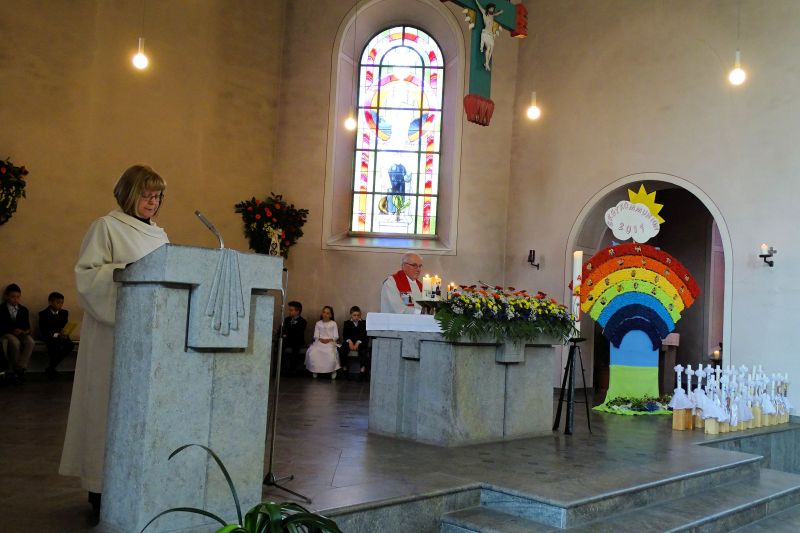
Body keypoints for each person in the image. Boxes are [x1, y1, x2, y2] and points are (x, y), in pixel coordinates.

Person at [59, 165, 170, 512]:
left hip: (150, 340)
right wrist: (127, 277)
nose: (153, 202)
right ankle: (101, 486)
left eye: (157, 196)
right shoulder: (106, 227)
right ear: (128, 194)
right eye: (147, 195)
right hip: (113, 337)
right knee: (108, 408)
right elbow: (88, 276)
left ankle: (140, 480)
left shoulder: (161, 236)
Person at [0, 283, 35, 383]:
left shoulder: (23, 309)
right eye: (12, 297)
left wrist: (25, 331)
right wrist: (12, 330)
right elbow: (1, 325)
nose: (15, 299)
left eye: (18, 297)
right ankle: (16, 370)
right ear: (6, 296)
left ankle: (20, 368)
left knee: (30, 342)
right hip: (7, 333)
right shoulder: (1, 309)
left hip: (21, 333)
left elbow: (27, 327)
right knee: (15, 342)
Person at [38, 291, 75, 379]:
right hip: (50, 336)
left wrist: (65, 332)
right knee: (53, 344)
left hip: (62, 336)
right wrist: (57, 334)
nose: (60, 305)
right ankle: (52, 369)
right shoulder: (43, 314)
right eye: (58, 302)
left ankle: (51, 367)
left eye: (62, 302)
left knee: (70, 345)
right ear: (50, 302)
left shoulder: (64, 313)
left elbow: (64, 325)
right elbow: (45, 330)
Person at [304, 305, 340, 379]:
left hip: (330, 342)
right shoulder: (318, 323)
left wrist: (329, 340)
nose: (325, 314)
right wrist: (321, 339)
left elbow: (336, 336)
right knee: (314, 351)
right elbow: (315, 336)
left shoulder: (333, 323)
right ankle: (315, 370)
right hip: (319, 341)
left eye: (327, 313)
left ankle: (332, 370)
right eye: (324, 312)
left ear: (331, 315)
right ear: (322, 313)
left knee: (330, 352)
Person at [339, 306, 369, 379]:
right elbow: (345, 334)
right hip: (350, 341)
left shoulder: (363, 323)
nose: (356, 317)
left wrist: (358, 343)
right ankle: (345, 367)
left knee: (364, 350)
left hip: (360, 341)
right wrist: (350, 342)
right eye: (354, 315)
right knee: (342, 349)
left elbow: (364, 335)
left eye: (358, 315)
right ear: (351, 315)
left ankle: (362, 369)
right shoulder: (347, 323)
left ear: (360, 315)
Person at [280, 300, 307, 376]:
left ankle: (293, 369)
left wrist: (287, 335)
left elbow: (298, 333)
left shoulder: (303, 321)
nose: (289, 311)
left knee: (296, 346)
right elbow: (282, 330)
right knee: (280, 345)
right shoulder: (286, 319)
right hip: (287, 340)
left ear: (297, 311)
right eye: (289, 310)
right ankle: (282, 368)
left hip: (297, 340)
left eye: (291, 310)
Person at [476, 0, 503, 71]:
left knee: (492, 48)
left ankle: (487, 63)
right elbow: (479, 7)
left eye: (493, 9)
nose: (492, 10)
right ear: (488, 8)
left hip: (491, 34)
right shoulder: (484, 13)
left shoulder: (492, 15)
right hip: (486, 33)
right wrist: (476, 1)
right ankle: (487, 63)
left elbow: (496, 14)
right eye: (491, 8)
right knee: (488, 48)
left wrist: (500, 12)